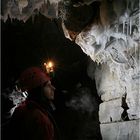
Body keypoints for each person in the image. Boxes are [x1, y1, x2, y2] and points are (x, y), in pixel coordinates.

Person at [3, 67, 58, 140]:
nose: (53, 88)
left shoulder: (22, 109)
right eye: (48, 85)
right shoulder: (40, 120)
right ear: (39, 90)